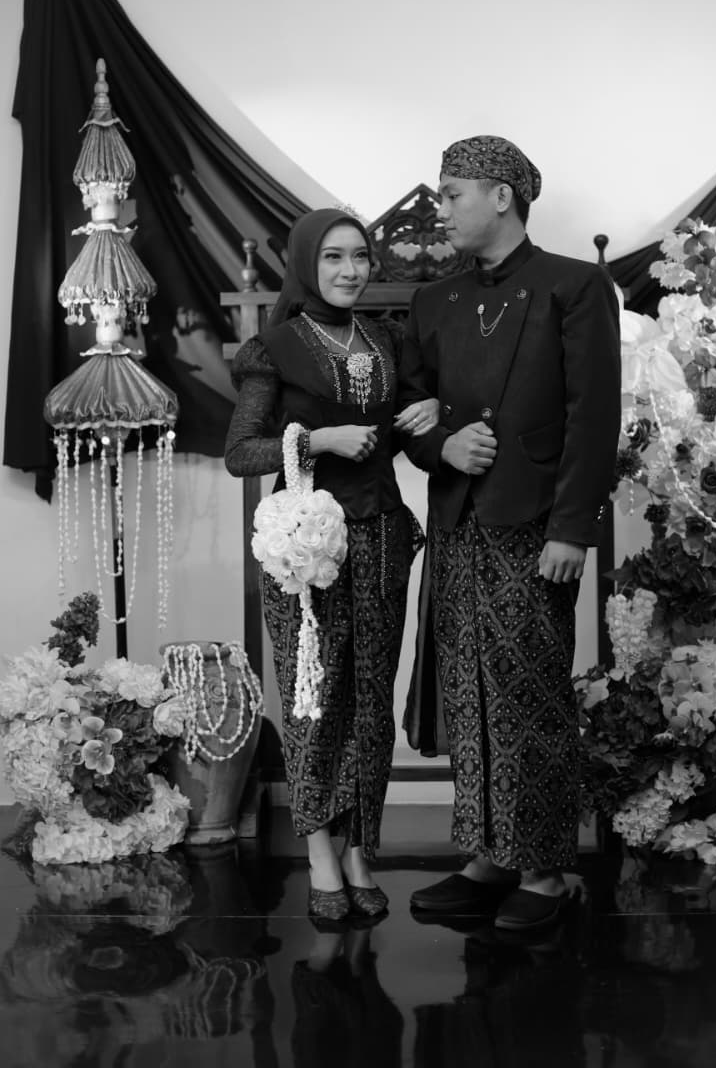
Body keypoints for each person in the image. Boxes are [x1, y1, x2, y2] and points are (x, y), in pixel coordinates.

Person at [400, 136, 621, 931]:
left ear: (501, 196)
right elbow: (411, 413)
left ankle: (545, 869)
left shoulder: (573, 285)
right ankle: (487, 856)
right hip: (457, 523)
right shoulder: (434, 300)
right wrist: (442, 446)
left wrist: (573, 530)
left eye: (451, 192)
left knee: (529, 697)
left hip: (534, 527)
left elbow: (592, 417)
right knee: (469, 696)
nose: (440, 208)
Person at [225, 208, 436, 923]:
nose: (350, 270)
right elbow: (241, 453)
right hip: (307, 554)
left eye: (360, 256)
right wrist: (316, 439)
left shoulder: (386, 340)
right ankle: (319, 852)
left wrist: (428, 410)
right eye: (334, 257)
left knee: (370, 703)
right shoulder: (275, 348)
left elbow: (403, 430)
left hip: (381, 540)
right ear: (306, 264)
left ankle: (358, 852)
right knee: (314, 701)